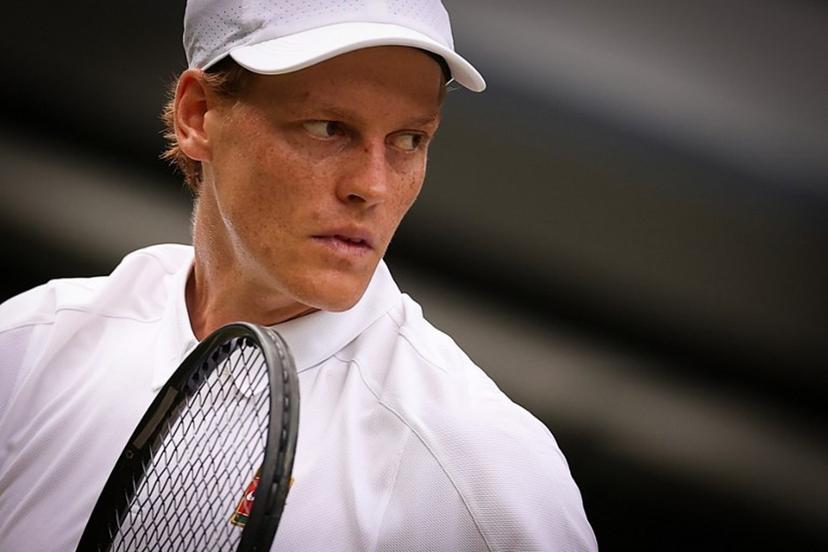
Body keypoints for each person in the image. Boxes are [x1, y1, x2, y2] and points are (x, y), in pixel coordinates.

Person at [0, 1, 597, 550]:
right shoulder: (26, 348)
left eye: (409, 139)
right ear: (198, 115)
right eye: (326, 127)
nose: (373, 185)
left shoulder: (488, 471)